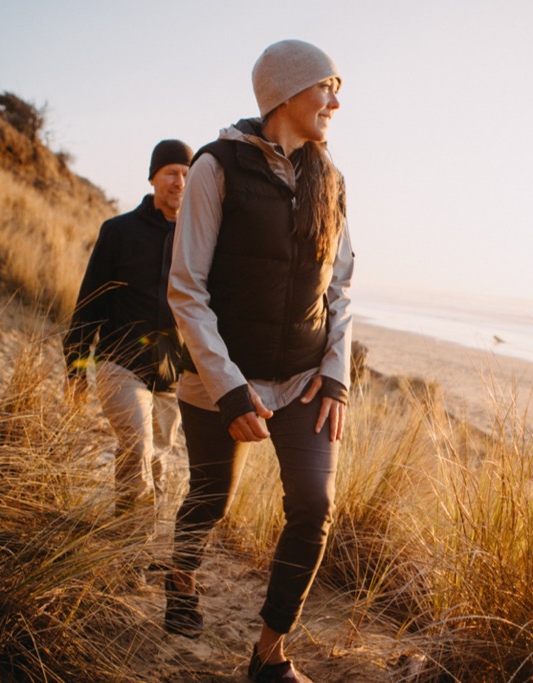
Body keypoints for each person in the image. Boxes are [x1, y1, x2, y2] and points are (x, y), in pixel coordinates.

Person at [164, 39, 353, 683]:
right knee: (212, 498)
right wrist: (230, 390)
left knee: (314, 505)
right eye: (323, 86)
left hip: (305, 378)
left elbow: (341, 287)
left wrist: (337, 374)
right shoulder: (216, 167)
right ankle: (181, 576)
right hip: (224, 378)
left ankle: (269, 656)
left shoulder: (332, 180)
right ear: (281, 93)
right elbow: (186, 289)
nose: (334, 100)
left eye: (337, 88)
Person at [63, 139, 193, 543]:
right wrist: (76, 369)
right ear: (153, 176)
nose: (179, 182)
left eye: (187, 175)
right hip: (119, 365)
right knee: (137, 447)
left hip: (170, 377)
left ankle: (129, 540)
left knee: (156, 461)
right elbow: (90, 303)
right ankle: (132, 554)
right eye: (171, 172)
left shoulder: (197, 241)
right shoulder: (119, 231)